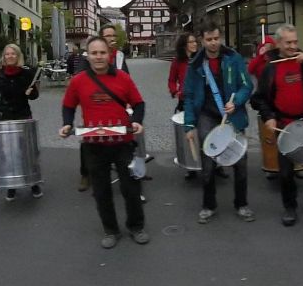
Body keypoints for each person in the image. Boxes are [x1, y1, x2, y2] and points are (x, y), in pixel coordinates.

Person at [59, 36, 149, 249]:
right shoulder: (78, 81)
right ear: (88, 56)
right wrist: (66, 124)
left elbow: (139, 104)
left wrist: (136, 122)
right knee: (101, 191)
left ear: (109, 54)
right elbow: (68, 106)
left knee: (131, 187)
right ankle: (111, 230)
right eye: (94, 53)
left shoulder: (123, 78)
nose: (98, 57)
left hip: (123, 142)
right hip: (94, 144)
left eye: (102, 53)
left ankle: (136, 226)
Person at [251, 24, 303, 227]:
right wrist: (268, 116)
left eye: (295, 42)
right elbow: (259, 99)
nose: (293, 46)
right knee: (286, 172)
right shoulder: (270, 67)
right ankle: (290, 207)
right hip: (284, 125)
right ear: (278, 43)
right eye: (288, 43)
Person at [183, 20, 254, 224]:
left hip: (233, 114)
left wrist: (237, 101)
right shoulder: (195, 65)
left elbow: (246, 86)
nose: (213, 43)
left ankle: (242, 204)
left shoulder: (234, 58)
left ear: (220, 37)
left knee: (239, 160)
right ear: (202, 41)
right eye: (209, 39)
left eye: (216, 38)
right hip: (207, 115)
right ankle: (209, 205)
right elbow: (188, 96)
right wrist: (189, 125)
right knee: (208, 161)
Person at [0, 44, 42, 201]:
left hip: (23, 115)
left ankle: (34, 183)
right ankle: (11, 186)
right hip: (5, 117)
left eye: (13, 54)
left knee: (27, 152)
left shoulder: (26, 73)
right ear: (4, 56)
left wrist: (32, 93)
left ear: (17, 56)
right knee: (7, 154)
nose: (10, 56)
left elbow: (34, 95)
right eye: (7, 54)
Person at [77, 24, 129, 192]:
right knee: (88, 139)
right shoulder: (89, 56)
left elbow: (126, 77)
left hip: (115, 104)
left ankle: (126, 170)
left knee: (121, 136)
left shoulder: (119, 56)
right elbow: (80, 77)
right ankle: (86, 174)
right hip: (94, 104)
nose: (111, 38)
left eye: (113, 35)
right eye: (107, 36)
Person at [168, 32, 200, 180]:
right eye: (191, 42)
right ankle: (191, 165)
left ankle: (214, 165)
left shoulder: (201, 59)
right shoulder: (177, 62)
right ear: (184, 45)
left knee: (206, 130)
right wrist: (176, 91)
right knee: (189, 133)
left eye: (195, 42)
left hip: (201, 100)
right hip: (185, 101)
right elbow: (171, 80)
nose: (194, 44)